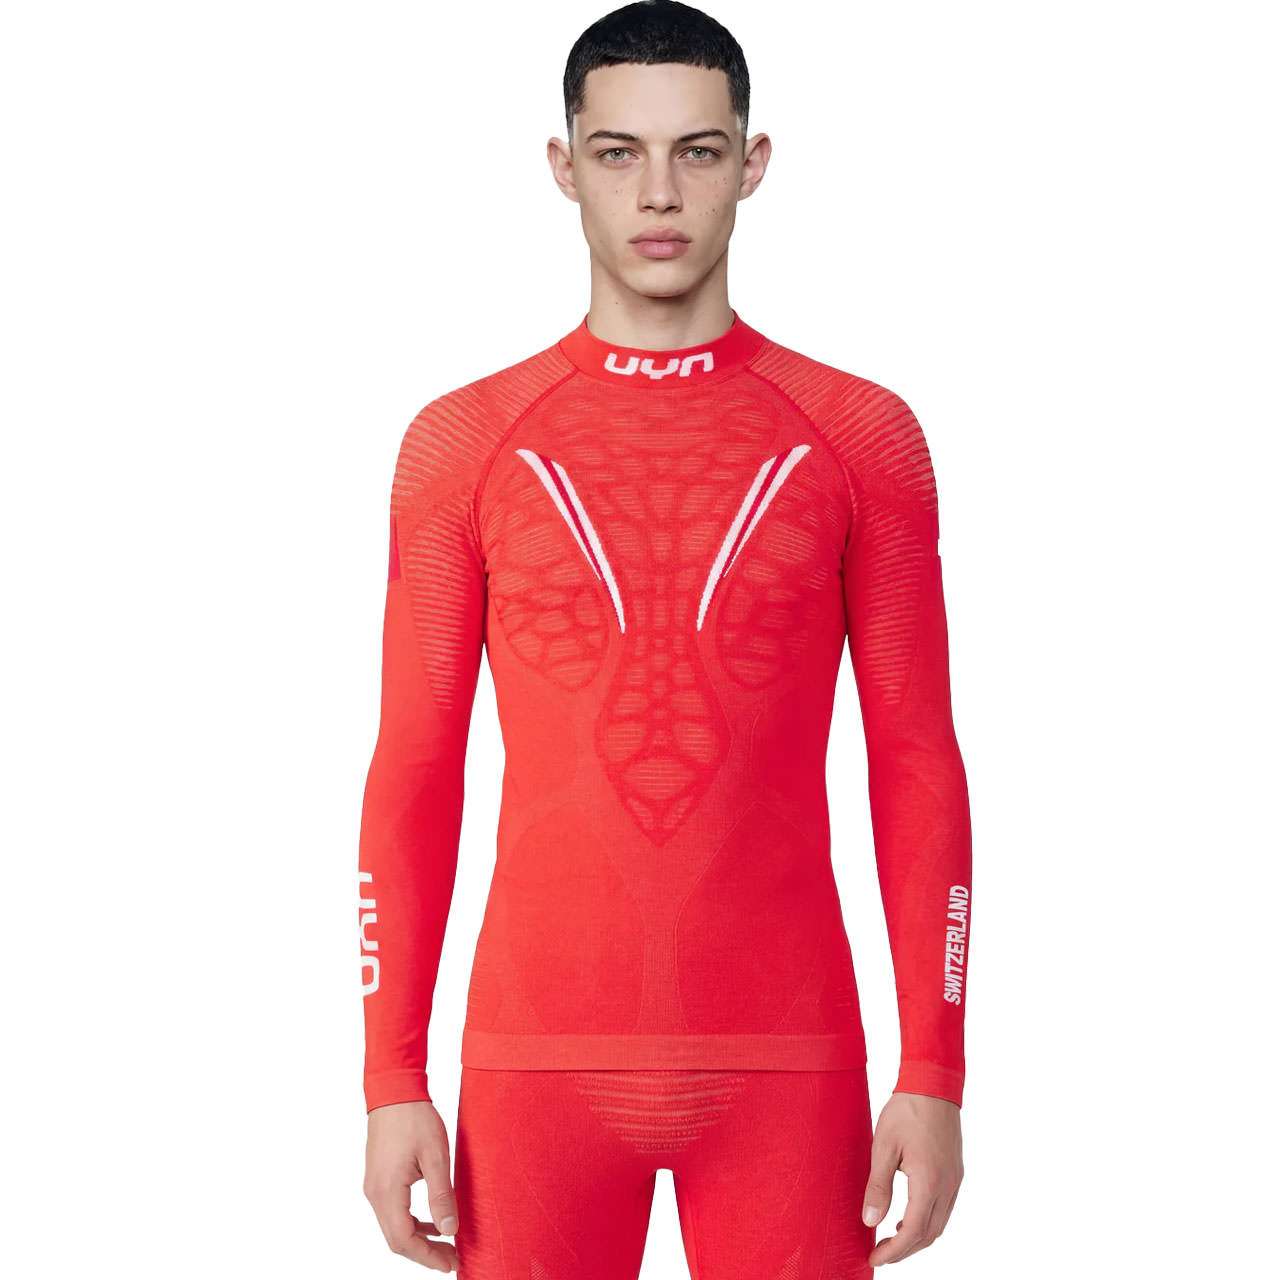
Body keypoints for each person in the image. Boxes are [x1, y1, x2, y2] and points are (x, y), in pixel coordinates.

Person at [358, 3, 972, 1276]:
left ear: (751, 164)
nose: (657, 193)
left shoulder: (858, 436)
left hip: (789, 1068)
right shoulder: (463, 445)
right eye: (617, 152)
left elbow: (914, 759)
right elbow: (414, 769)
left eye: (696, 151)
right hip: (531, 1068)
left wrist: (933, 1067)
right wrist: (389, 1075)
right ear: (562, 165)